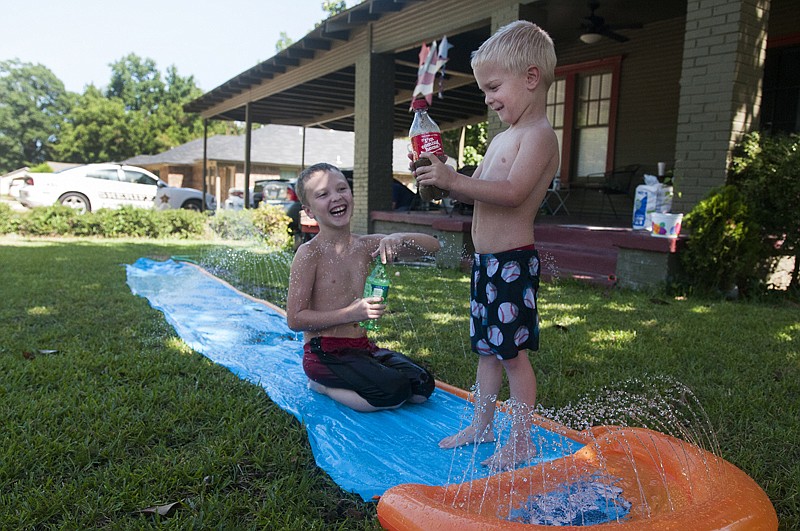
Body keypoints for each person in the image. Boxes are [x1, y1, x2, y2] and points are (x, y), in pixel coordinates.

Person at [413, 20, 559, 469]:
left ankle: (521, 440)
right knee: (486, 349)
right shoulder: (500, 138)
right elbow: (473, 188)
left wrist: (456, 179)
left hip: (512, 264)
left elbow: (513, 192)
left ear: (530, 78)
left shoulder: (539, 137)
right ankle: (482, 425)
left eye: (494, 87)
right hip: (487, 264)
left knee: (511, 355)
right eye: (484, 90)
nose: (488, 98)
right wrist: (441, 179)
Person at [286, 162, 441, 412]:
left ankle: (367, 376)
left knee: (422, 387)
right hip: (324, 354)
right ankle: (322, 386)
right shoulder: (309, 254)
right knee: (394, 392)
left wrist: (398, 238)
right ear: (309, 210)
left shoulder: (365, 247)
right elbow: (295, 319)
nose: (336, 197)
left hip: (362, 348)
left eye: (341, 189)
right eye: (323, 194)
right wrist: (351, 313)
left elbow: (433, 246)